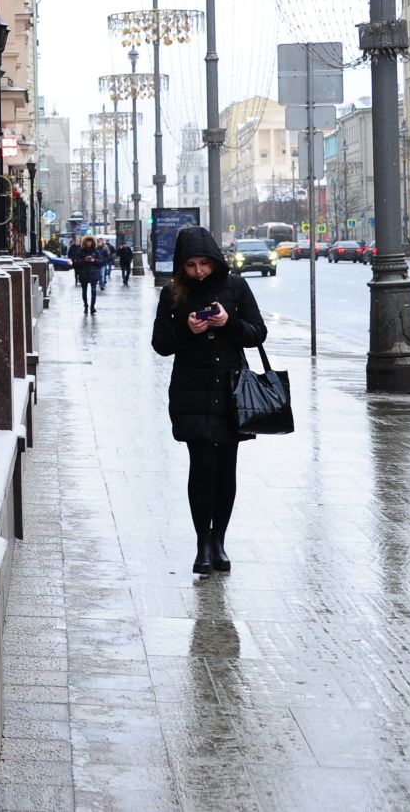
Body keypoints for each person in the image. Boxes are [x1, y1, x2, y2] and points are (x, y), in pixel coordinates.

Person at [150, 225, 269, 576]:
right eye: (191, 265)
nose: (199, 271)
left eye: (204, 263)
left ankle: (220, 541)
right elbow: (160, 344)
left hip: (231, 391)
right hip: (191, 389)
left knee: (226, 467)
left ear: (215, 260)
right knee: (202, 464)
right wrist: (188, 329)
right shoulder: (172, 294)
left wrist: (228, 322)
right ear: (181, 266)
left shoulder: (236, 286)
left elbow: (257, 332)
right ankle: (203, 542)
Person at [71, 235, 106, 315]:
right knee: (84, 291)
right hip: (84, 273)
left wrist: (94, 260)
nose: (89, 243)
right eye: (87, 242)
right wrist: (84, 260)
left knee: (93, 291)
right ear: (85, 242)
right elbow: (77, 262)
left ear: (92, 243)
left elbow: (101, 261)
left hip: (93, 273)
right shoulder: (81, 251)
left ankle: (92, 307)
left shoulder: (95, 251)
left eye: (90, 242)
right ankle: (86, 306)